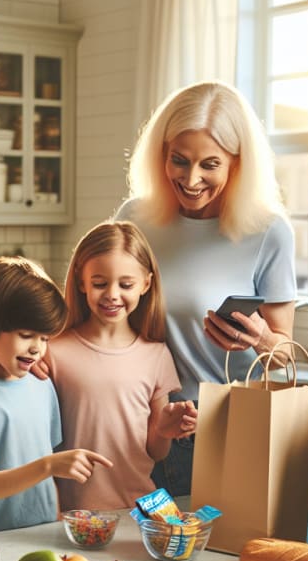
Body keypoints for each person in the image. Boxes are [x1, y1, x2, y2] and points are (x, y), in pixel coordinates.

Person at [115, 80, 296, 495]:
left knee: (209, 555)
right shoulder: (135, 219)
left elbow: (285, 353)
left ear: (237, 163)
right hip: (132, 417)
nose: (191, 179)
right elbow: (94, 312)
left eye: (209, 165)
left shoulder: (268, 232)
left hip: (219, 428)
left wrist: (261, 338)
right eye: (179, 160)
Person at [0, 257, 113, 535]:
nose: (37, 349)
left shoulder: (42, 384)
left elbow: (49, 479)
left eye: (45, 338)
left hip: (45, 536)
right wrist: (49, 465)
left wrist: (58, 520)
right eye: (26, 335)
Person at [48, 221, 197, 511]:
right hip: (70, 515)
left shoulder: (156, 354)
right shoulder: (52, 351)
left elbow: (155, 452)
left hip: (136, 512)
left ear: (146, 283)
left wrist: (164, 430)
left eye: (125, 285)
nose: (112, 294)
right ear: (81, 282)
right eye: (100, 283)